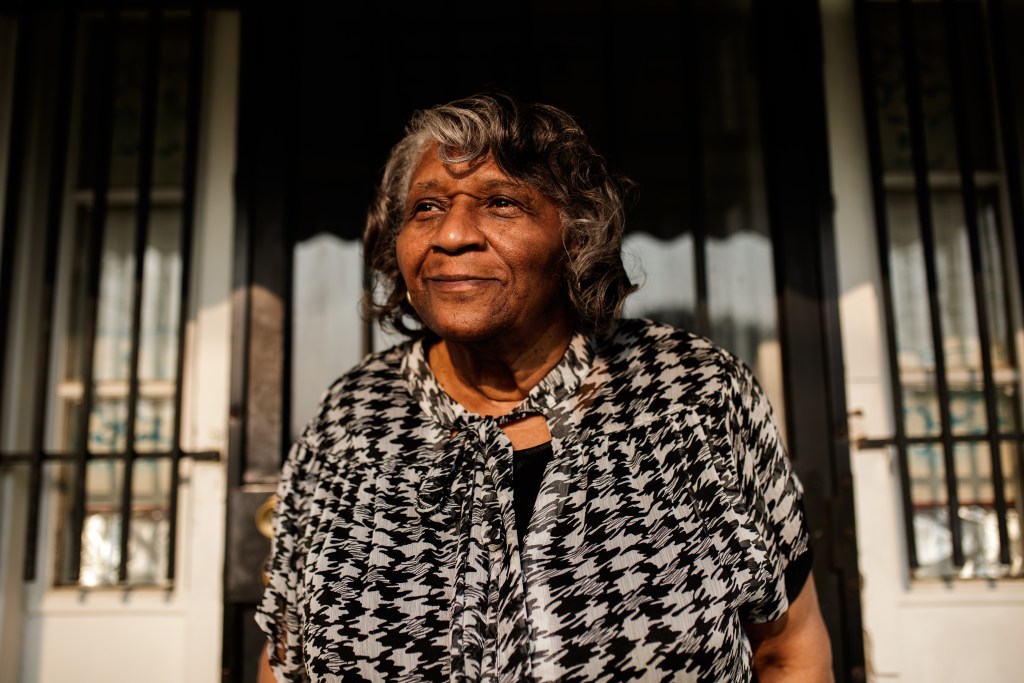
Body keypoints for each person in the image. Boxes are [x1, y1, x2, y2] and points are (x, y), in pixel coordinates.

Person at [257, 93, 832, 682]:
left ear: (576, 240)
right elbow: (284, 660)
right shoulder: (354, 413)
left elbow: (788, 652)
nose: (452, 234)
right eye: (426, 207)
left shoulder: (692, 389)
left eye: (500, 202)